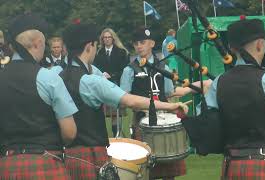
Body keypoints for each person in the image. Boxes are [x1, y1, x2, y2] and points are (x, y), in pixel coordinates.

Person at [52, 23, 188, 179]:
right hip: (90, 155)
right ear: (89, 46)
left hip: (64, 156)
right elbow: (131, 101)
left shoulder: (54, 75)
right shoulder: (91, 82)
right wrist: (171, 106)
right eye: (96, 45)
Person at [203, 18, 265, 179]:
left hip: (231, 165)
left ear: (232, 48)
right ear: (260, 44)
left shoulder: (218, 82)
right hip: (264, 164)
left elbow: (208, 124)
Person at [0, 13, 78, 179]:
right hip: (45, 163)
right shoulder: (48, 78)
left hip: (6, 166)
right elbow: (69, 132)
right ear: (38, 43)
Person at [120, 27, 186, 180]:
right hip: (142, 120)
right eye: (136, 43)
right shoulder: (129, 70)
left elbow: (169, 93)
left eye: (142, 42)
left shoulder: (164, 66)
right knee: (146, 169)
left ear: (152, 43)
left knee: (168, 168)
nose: (139, 46)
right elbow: (124, 98)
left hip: (164, 120)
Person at [94, 28, 130, 137]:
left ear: (113, 38)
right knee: (102, 114)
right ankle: (103, 136)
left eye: (109, 37)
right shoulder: (98, 53)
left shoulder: (122, 52)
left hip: (117, 85)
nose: (107, 39)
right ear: (102, 39)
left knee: (116, 114)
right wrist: (101, 75)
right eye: (105, 37)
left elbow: (125, 69)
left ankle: (117, 134)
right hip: (102, 87)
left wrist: (113, 75)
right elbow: (95, 68)